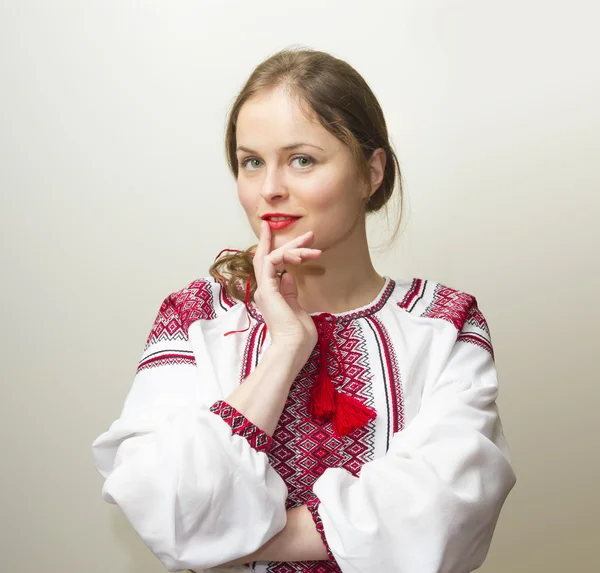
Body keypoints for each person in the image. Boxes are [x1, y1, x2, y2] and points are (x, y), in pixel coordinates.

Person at [91, 48, 516, 573]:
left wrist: (233, 537)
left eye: (302, 159)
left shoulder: (445, 323)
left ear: (371, 173)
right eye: (252, 162)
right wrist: (286, 349)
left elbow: (447, 508)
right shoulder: (194, 319)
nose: (270, 188)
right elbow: (164, 504)